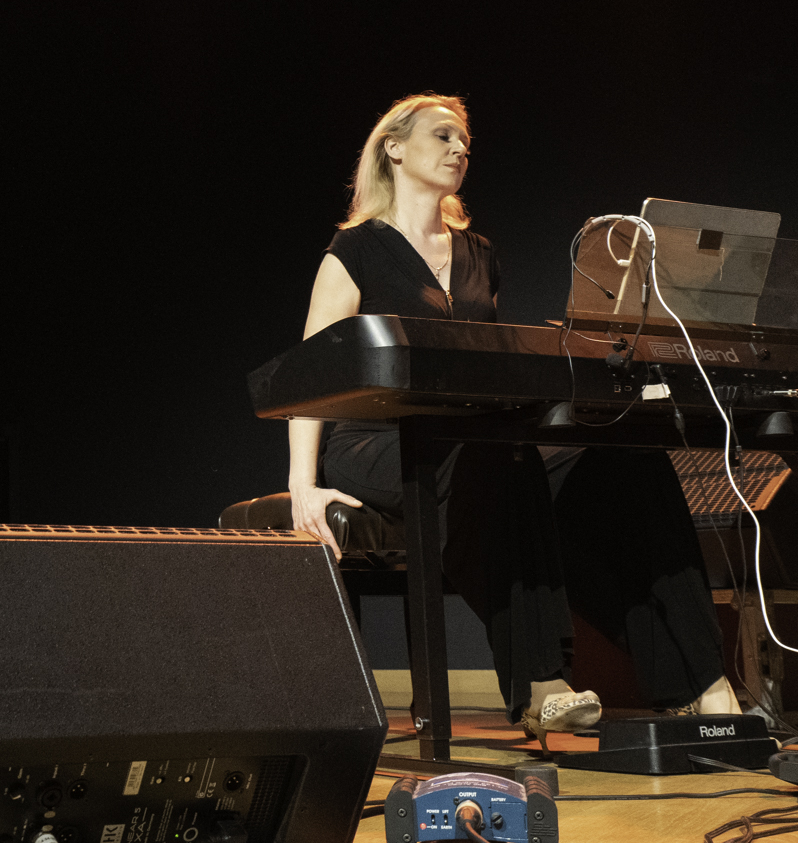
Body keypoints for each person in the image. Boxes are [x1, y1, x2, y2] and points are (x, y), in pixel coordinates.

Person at [286, 93, 740, 746]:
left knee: (628, 460)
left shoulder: (478, 255)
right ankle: (540, 684)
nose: (458, 149)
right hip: (377, 440)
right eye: (442, 136)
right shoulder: (354, 251)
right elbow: (309, 375)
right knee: (498, 456)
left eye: (465, 141)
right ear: (394, 147)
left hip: (469, 435)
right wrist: (302, 482)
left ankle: (700, 683)